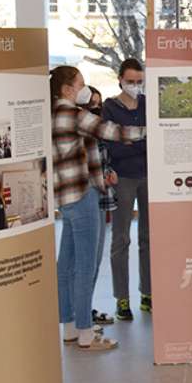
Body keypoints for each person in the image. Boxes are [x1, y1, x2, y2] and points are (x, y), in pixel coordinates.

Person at [50, 65, 145, 351]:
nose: (85, 87)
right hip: (82, 195)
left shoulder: (53, 112)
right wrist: (150, 130)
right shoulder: (71, 113)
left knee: (66, 265)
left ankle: (68, 327)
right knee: (85, 266)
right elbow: (111, 131)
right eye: (80, 83)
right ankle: (86, 334)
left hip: (67, 198)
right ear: (67, 89)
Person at [101, 58, 151, 321]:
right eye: (130, 81)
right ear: (120, 79)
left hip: (149, 176)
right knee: (121, 239)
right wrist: (137, 140)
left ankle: (148, 293)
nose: (135, 85)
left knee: (148, 237)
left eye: (139, 81)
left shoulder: (147, 104)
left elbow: (153, 139)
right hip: (122, 178)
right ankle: (122, 299)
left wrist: (133, 140)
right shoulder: (109, 107)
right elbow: (112, 145)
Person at [87, 88, 117, 327]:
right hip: (85, 198)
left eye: (99, 105)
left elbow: (102, 160)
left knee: (95, 260)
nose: (96, 109)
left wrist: (109, 173)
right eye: (91, 104)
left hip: (100, 197)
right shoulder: (79, 129)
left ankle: (86, 309)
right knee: (85, 261)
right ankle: (80, 314)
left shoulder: (97, 132)